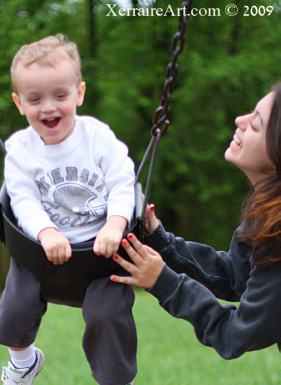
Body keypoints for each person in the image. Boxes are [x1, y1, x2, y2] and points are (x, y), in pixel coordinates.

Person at [0, 34, 137, 385]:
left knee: (109, 314)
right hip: (44, 252)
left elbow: (124, 181)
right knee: (16, 302)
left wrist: (116, 223)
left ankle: (116, 382)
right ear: (19, 103)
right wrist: (46, 233)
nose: (49, 107)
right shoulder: (20, 150)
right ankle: (23, 362)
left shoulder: (97, 137)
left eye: (59, 95)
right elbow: (21, 199)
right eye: (35, 99)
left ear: (79, 93)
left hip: (100, 252)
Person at [111, 83, 281, 360]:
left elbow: (235, 335)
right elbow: (235, 277)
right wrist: (160, 242)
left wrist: (164, 282)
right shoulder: (267, 209)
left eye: (256, 124)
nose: (240, 121)